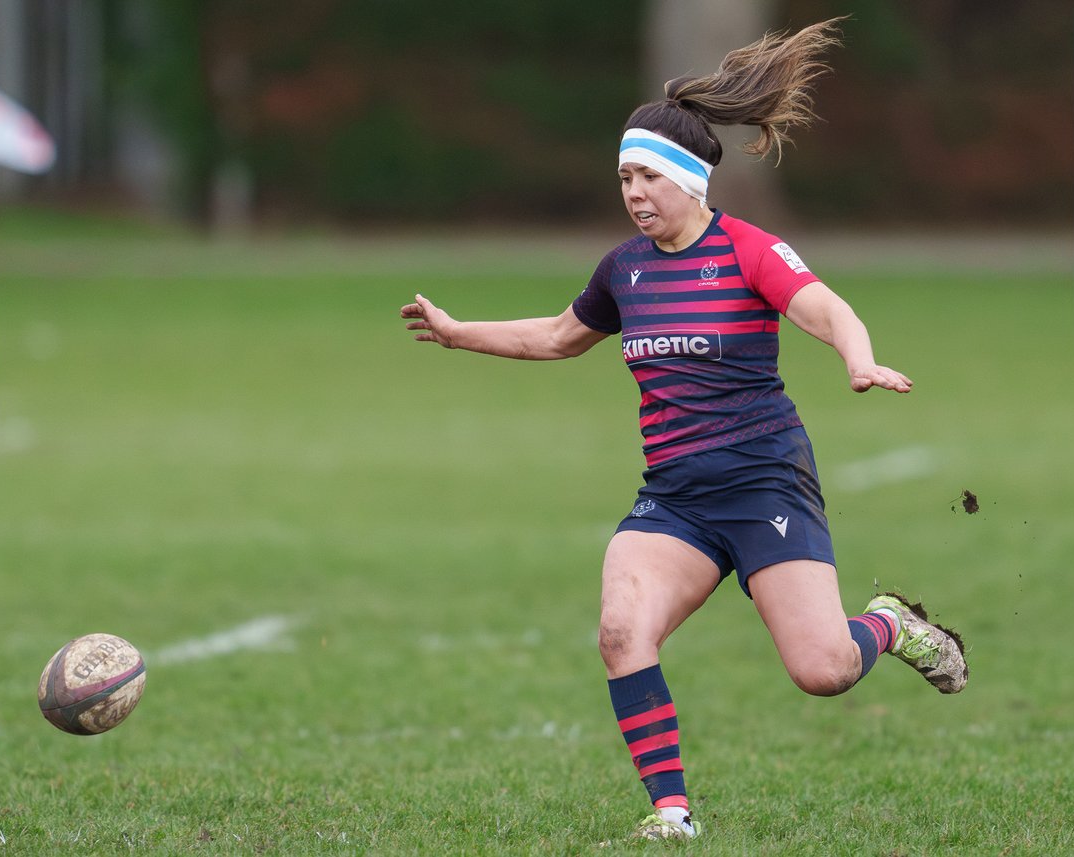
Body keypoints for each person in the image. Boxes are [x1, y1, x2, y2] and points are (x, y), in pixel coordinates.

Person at [400, 17, 967, 842]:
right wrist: (459, 333)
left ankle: (889, 623)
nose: (631, 193)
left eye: (645, 178)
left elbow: (823, 305)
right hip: (675, 499)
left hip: (764, 483)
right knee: (621, 627)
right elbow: (559, 336)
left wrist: (858, 357)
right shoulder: (623, 269)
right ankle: (671, 811)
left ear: (688, 181)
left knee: (823, 669)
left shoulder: (747, 250)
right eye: (623, 178)